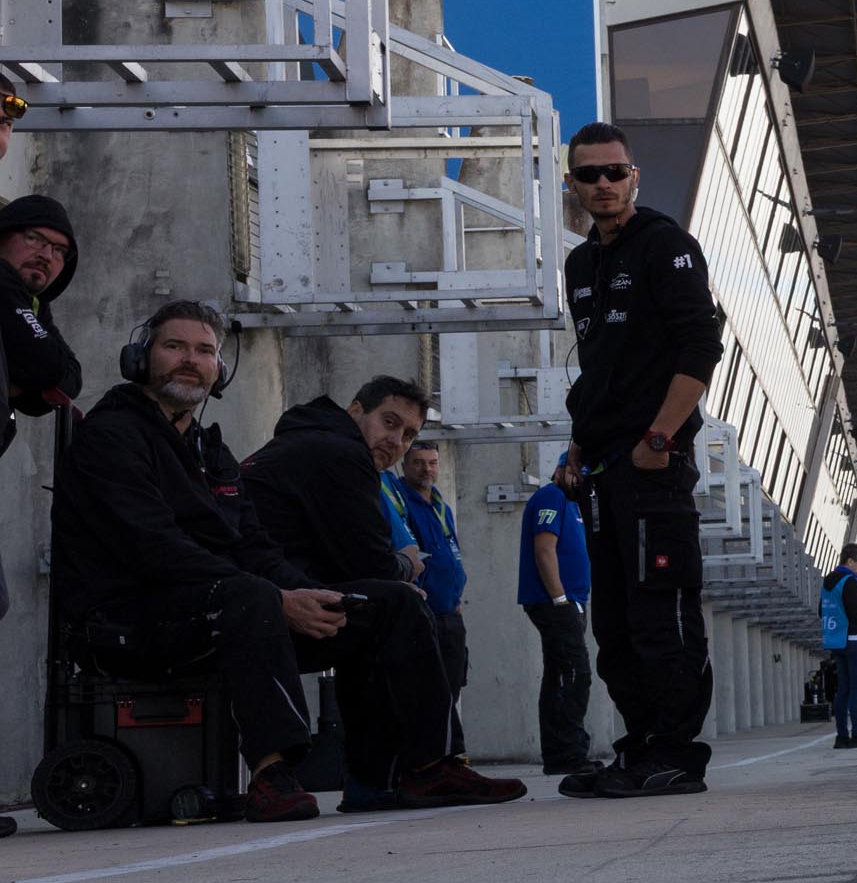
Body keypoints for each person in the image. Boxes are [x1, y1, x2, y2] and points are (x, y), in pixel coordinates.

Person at [62, 303, 522, 821]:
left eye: (205, 351)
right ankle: (272, 773)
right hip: (128, 620)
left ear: (220, 370)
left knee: (387, 603)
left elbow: (253, 546)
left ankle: (421, 769)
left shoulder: (209, 452)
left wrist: (306, 596)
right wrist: (279, 599)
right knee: (252, 595)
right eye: (175, 347)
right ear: (142, 357)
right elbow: (153, 546)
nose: (191, 360)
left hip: (223, 604)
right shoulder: (113, 435)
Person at [561, 122, 726, 799]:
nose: (603, 184)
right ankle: (638, 748)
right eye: (589, 174)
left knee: (662, 614)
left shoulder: (666, 246)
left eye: (614, 171)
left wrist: (658, 439)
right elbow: (599, 369)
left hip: (652, 466)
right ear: (571, 184)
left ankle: (676, 754)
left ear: (635, 177)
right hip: (600, 469)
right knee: (617, 625)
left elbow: (700, 350)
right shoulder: (580, 265)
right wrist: (577, 446)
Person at [240, 375, 438, 807]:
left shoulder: (311, 443)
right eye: (389, 422)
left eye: (408, 435)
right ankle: (428, 767)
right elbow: (372, 563)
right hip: (252, 607)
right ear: (354, 413)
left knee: (381, 609)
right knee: (396, 609)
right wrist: (406, 565)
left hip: (264, 594)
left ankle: (379, 780)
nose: (396, 441)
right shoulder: (341, 452)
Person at [0, 192, 82, 625]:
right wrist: (29, 377)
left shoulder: (33, 306)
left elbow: (68, 379)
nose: (47, 256)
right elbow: (45, 365)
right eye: (35, 239)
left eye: (60, 251)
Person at [385, 441, 470, 750]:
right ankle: (434, 759)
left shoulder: (440, 505)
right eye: (418, 462)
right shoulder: (401, 503)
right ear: (405, 465)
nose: (427, 469)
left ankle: (448, 756)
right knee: (428, 695)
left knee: (451, 688)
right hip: (424, 613)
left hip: (451, 614)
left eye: (432, 462)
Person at [517, 450, 597, 778]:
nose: (578, 479)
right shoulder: (551, 497)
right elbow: (544, 549)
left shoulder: (573, 505)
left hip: (571, 602)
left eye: (583, 475)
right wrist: (560, 599)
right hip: (556, 603)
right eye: (574, 472)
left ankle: (558, 752)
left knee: (558, 676)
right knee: (575, 674)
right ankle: (569, 752)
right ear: (559, 469)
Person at [821, 543, 857, 748]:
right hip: (855, 640)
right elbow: (856, 612)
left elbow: (822, 611)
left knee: (843, 690)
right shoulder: (850, 582)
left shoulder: (828, 583)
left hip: (837, 640)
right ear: (850, 561)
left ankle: (842, 735)